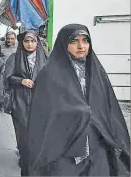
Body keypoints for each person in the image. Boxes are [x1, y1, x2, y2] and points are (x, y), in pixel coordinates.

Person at [26, 24, 130, 176]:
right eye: (74, 41)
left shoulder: (96, 72)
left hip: (97, 145)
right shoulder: (49, 74)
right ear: (64, 44)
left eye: (85, 40)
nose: (81, 46)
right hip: (64, 148)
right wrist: (77, 111)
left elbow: (110, 109)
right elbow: (42, 116)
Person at [3, 30, 47, 175]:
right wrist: (21, 80)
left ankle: (32, 160)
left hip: (39, 102)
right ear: (22, 42)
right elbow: (7, 78)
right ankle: (24, 156)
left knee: (37, 133)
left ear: (37, 43)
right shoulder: (15, 58)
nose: (29, 44)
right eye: (27, 41)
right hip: (20, 101)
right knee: (23, 133)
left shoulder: (45, 58)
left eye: (32, 41)